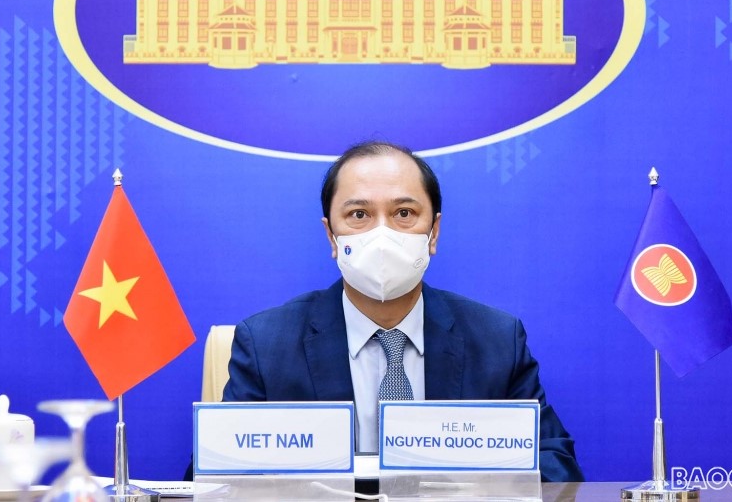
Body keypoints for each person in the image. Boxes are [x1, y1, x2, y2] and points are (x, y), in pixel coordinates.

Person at [222, 141, 584, 482]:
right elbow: (221, 474)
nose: (382, 235)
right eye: (359, 214)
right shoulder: (266, 345)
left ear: (434, 232)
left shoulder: (497, 340)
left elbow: (555, 467)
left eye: (404, 213)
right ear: (331, 236)